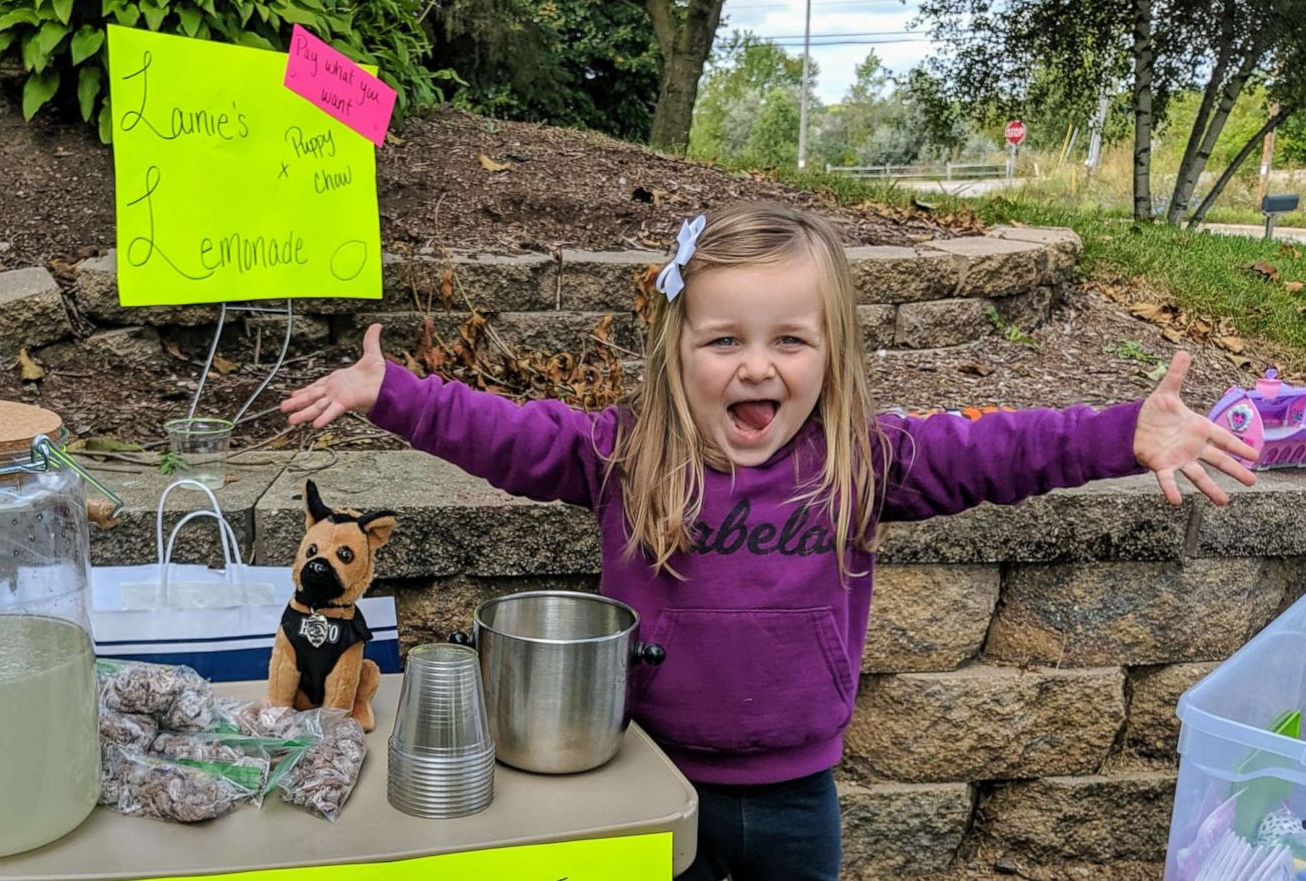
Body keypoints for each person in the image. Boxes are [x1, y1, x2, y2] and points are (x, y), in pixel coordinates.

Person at [280, 201, 1256, 880]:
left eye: (789, 339)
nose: (756, 365)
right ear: (680, 352)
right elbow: (499, 432)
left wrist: (1122, 429)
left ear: (830, 354)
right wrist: (394, 394)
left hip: (799, 795)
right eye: (724, 341)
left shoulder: (864, 462)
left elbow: (1003, 448)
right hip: (654, 780)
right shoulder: (623, 455)